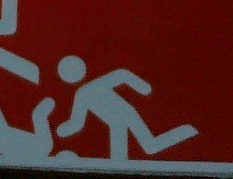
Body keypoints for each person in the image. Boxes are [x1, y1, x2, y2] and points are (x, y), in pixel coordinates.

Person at [54, 55, 198, 160]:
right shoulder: (83, 93)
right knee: (139, 150)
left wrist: (142, 87)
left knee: (148, 147)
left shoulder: (86, 91)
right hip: (118, 120)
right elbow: (77, 123)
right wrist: (63, 130)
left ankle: (187, 131)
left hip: (126, 114)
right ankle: (187, 131)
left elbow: (122, 74)